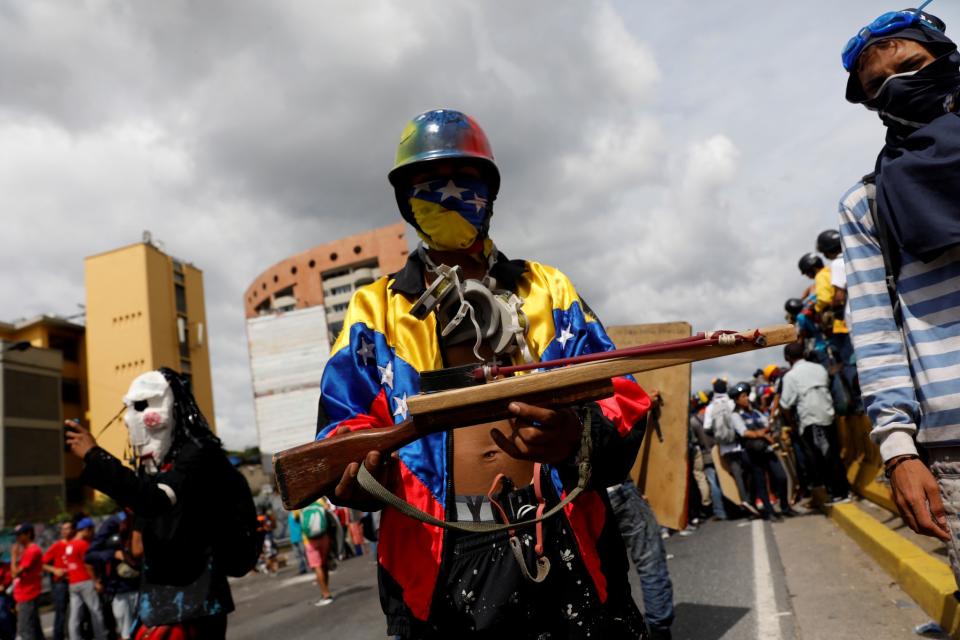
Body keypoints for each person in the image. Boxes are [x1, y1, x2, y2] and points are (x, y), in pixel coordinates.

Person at [316, 108, 653, 638]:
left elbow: (624, 400)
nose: (449, 195)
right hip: (440, 558)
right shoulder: (373, 312)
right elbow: (340, 429)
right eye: (430, 183)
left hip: (561, 533)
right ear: (407, 200)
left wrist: (578, 436)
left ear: (490, 194)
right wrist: (362, 478)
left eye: (465, 181)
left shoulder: (549, 291)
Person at [837, 4, 960, 582]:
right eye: (879, 86)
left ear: (947, 62)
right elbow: (876, 332)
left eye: (912, 66)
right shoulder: (867, 205)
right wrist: (899, 452)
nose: (898, 87)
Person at [65, 368, 257, 639]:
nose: (131, 419)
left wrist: (96, 457)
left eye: (142, 406)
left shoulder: (197, 457)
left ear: (174, 407)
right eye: (129, 408)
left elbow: (156, 500)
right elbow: (140, 541)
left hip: (192, 602)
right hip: (161, 602)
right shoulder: (158, 472)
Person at [779, 343, 850, 503]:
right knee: (833, 453)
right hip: (828, 415)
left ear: (787, 358)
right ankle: (843, 490)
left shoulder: (790, 376)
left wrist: (792, 424)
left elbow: (784, 405)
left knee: (822, 457)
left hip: (811, 419)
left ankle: (837, 493)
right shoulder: (819, 368)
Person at [608, 481, 675, 640]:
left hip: (577, 499)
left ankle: (623, 628)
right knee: (650, 564)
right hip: (616, 487)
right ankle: (659, 631)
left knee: (606, 574)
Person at [729, 383, 795, 520]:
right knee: (760, 482)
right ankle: (770, 512)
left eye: (747, 395)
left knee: (781, 477)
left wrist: (769, 428)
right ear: (736, 400)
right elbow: (744, 432)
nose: (746, 398)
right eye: (743, 396)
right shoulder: (735, 416)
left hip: (767, 449)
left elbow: (767, 424)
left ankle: (785, 507)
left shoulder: (756, 412)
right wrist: (762, 434)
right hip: (752, 453)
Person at [704, 378, 757, 516]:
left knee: (737, 474)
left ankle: (744, 501)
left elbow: (707, 428)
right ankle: (750, 500)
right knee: (750, 471)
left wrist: (719, 435)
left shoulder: (710, 407)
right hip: (740, 444)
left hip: (725, 448)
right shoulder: (731, 402)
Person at [85, 512, 139, 640]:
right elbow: (90, 556)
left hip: (144, 587)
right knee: (126, 632)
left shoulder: (147, 517)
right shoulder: (113, 522)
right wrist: (113, 554)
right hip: (120, 589)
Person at [64, 518, 107, 640]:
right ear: (86, 530)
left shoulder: (69, 544)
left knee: (75, 615)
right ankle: (101, 637)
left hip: (73, 583)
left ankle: (74, 637)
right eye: (92, 530)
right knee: (95, 611)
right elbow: (88, 564)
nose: (93, 533)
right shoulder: (83, 544)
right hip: (85, 581)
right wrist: (96, 581)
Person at [689, 392, 726, 520]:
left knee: (713, 483)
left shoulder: (693, 421)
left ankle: (719, 511)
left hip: (706, 454)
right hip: (720, 450)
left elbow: (694, 440)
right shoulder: (713, 415)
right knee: (725, 480)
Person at [11, 523, 45, 640]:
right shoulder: (26, 550)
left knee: (25, 629)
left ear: (28, 534)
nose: (17, 539)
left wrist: (13, 557)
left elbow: (15, 573)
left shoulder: (32, 551)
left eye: (19, 535)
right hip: (24, 593)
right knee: (34, 627)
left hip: (28, 593)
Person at [43, 520, 75, 640]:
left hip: (75, 582)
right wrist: (54, 570)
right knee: (60, 612)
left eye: (67, 528)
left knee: (75, 613)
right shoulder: (57, 546)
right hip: (60, 583)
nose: (65, 531)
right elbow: (42, 563)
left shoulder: (77, 543)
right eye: (63, 529)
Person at [301, 499, 333, 606]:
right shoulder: (320, 499)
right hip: (324, 536)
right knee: (324, 564)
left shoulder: (300, 501)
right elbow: (329, 512)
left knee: (317, 566)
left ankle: (326, 594)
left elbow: (297, 518)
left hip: (309, 540)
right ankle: (326, 589)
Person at [287, 510, 308, 575]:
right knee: (298, 555)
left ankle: (312, 566)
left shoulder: (297, 512)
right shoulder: (290, 514)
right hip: (293, 538)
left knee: (305, 553)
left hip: (300, 536)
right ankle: (302, 569)